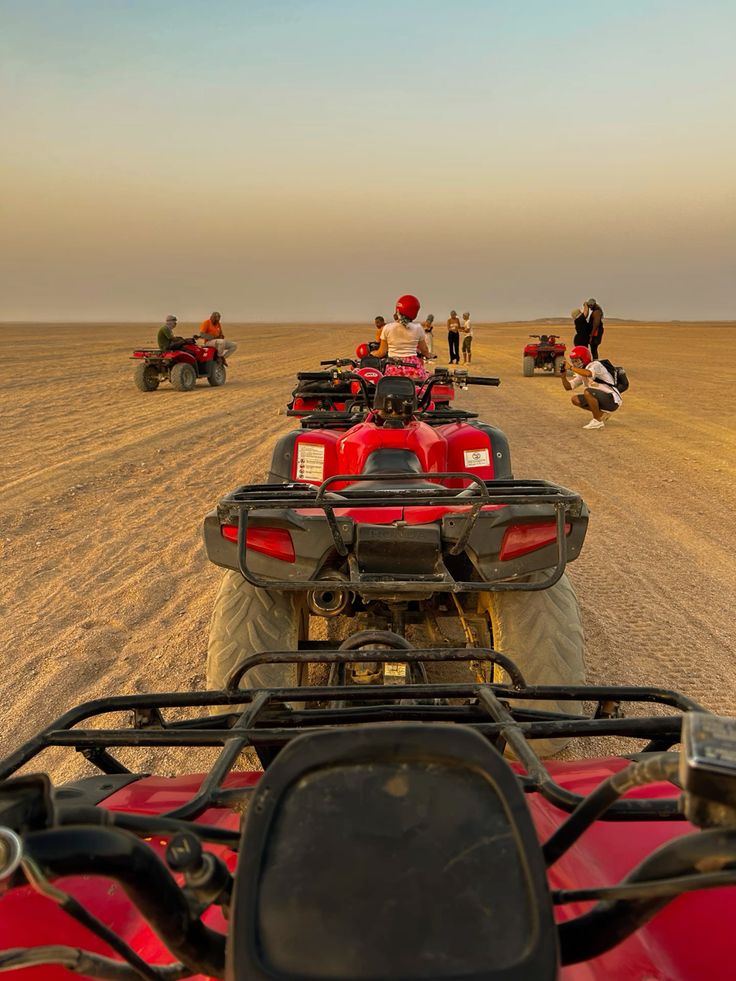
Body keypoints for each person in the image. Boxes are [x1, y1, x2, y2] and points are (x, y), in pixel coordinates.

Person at [560, 345, 622, 430]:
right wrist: (563, 377)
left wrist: (571, 367)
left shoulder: (595, 365)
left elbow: (588, 373)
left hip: (611, 399)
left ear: (584, 358)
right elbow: (569, 387)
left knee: (588, 392)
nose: (575, 364)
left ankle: (597, 421)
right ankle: (601, 414)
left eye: (577, 361)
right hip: (600, 397)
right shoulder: (582, 371)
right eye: (573, 361)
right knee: (575, 399)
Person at [375, 294, 429, 372]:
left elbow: (381, 352)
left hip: (393, 368)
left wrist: (372, 354)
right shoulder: (418, 328)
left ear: (397, 310)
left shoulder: (387, 328)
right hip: (413, 369)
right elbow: (424, 350)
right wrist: (428, 354)